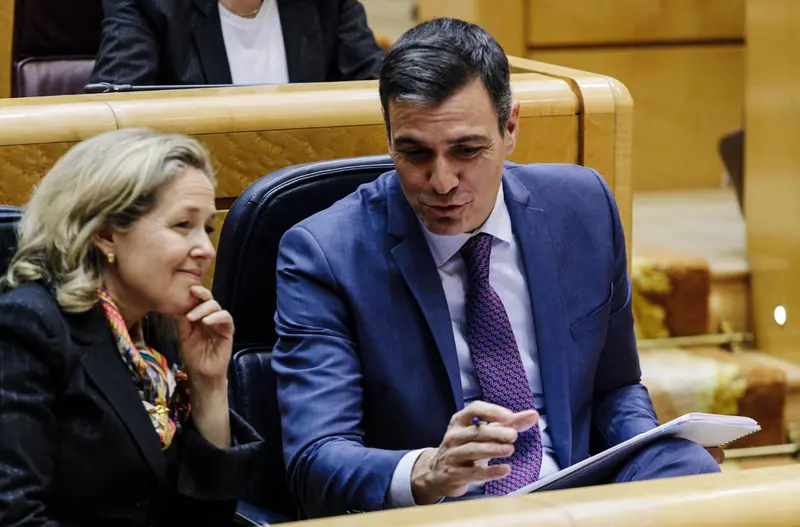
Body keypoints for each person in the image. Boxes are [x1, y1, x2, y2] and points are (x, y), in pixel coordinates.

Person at [271, 18, 723, 519]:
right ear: (389, 139)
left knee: (692, 475)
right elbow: (316, 460)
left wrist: (651, 451)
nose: (441, 182)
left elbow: (614, 387)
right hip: (446, 510)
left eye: (466, 150)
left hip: (574, 492)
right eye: (414, 152)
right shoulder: (325, 254)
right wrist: (427, 471)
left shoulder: (583, 207)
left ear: (510, 129)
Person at [0, 128, 263, 526]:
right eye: (181, 225)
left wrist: (209, 386)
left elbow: (206, 519)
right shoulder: (30, 326)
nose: (206, 249)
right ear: (105, 234)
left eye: (207, 228)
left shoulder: (161, 332)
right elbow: (15, 517)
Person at [88, 0, 385, 88]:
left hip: (307, 194)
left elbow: (379, 89)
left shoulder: (327, 5)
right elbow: (111, 103)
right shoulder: (151, 5)